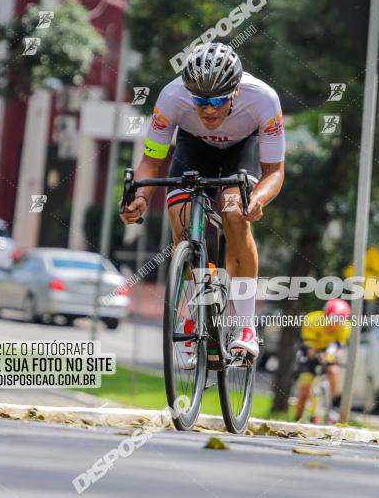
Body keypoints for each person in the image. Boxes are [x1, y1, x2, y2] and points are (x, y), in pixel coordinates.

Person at [120, 42, 285, 359]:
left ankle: (245, 326)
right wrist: (140, 197)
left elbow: (275, 172)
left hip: (242, 150)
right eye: (200, 101)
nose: (208, 110)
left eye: (218, 101)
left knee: (233, 211)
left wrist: (258, 199)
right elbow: (151, 161)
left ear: (235, 91)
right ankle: (197, 297)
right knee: (179, 211)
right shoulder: (171, 97)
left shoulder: (263, 99)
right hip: (193, 147)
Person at [294, 298, 352, 419]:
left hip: (328, 350)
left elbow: (339, 348)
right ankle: (298, 417)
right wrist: (317, 356)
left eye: (338, 322)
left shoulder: (345, 327)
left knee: (333, 370)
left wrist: (331, 357)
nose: (333, 325)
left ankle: (334, 403)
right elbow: (310, 350)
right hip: (310, 350)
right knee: (305, 387)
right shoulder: (312, 320)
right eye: (331, 320)